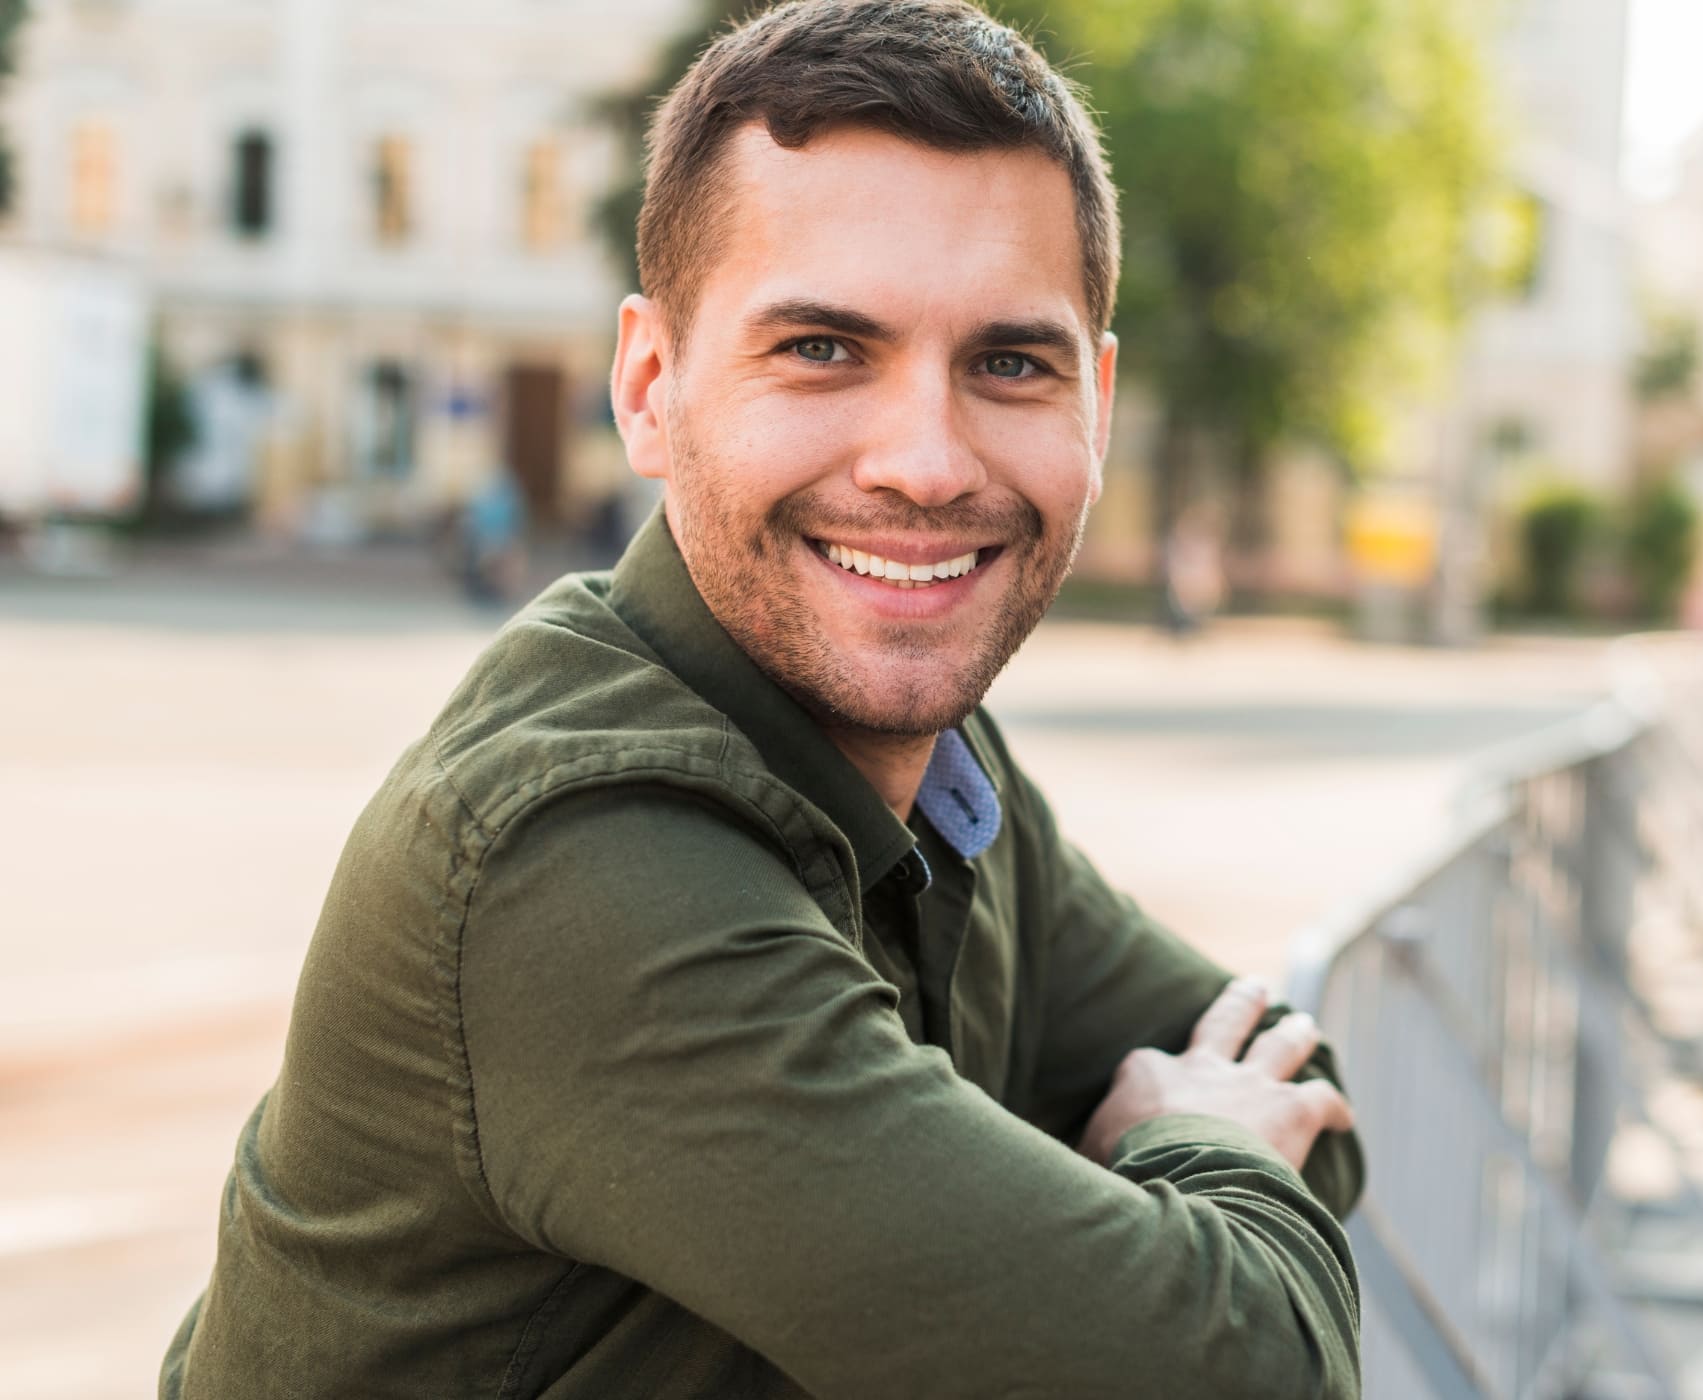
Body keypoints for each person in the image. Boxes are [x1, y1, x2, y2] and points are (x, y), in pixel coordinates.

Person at [160, 3, 1363, 1396]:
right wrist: (1184, 1167)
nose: (924, 459)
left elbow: (1313, 1099)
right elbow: (1251, 1367)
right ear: (651, 387)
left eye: (1009, 363)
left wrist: (1109, 1235)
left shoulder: (940, 763)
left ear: (1094, 401)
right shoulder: (578, 865)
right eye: (821, 350)